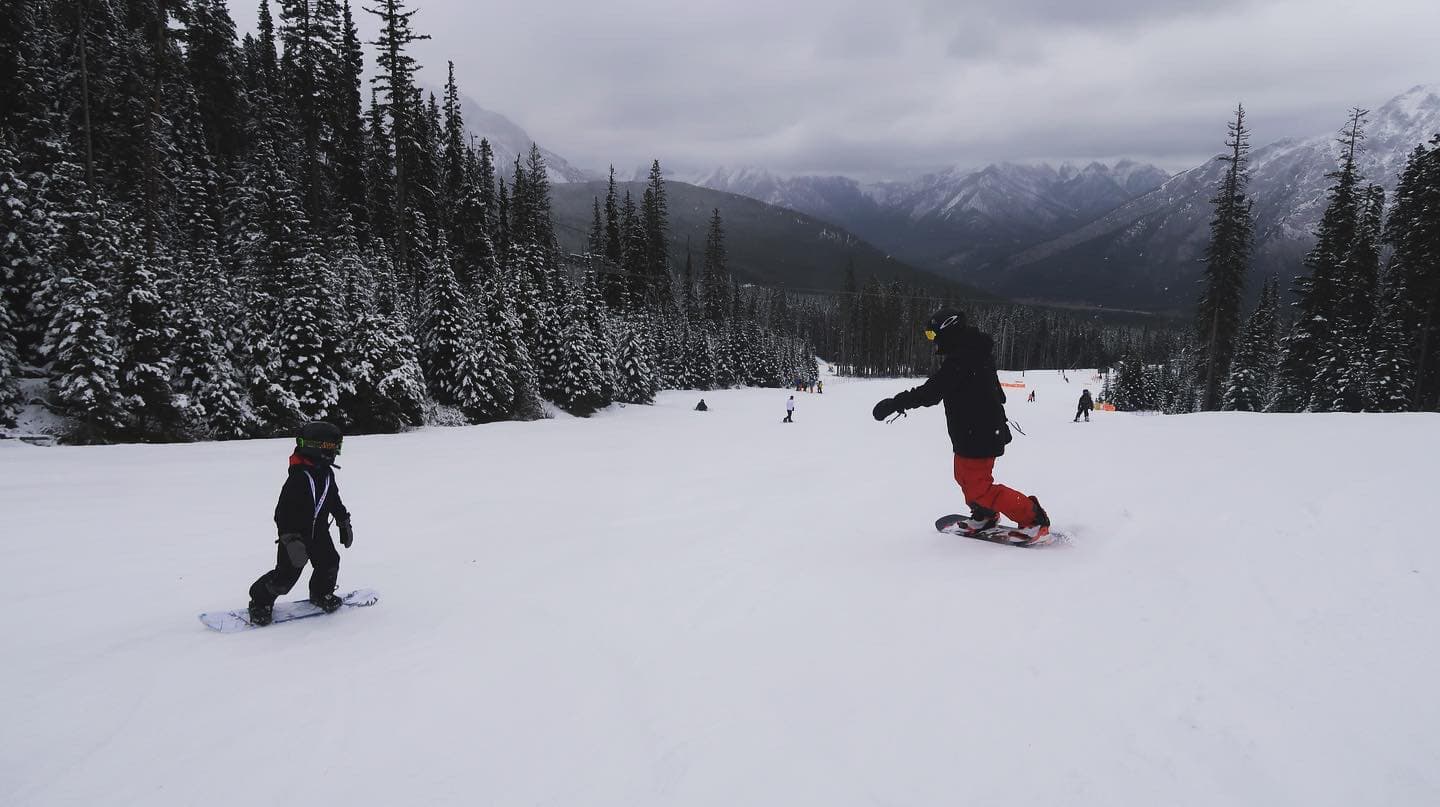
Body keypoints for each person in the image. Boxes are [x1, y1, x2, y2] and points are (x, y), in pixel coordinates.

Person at [871, 309, 1050, 544]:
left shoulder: (964, 358)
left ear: (948, 331)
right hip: (969, 431)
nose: (932, 340)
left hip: (981, 432)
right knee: (964, 477)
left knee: (979, 488)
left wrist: (895, 403)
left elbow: (932, 392)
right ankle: (984, 514)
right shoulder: (971, 351)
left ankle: (1033, 518)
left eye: (932, 334)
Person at [247, 422, 354, 626]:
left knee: (329, 562)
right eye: (331, 448)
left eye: (337, 448)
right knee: (286, 576)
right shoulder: (298, 478)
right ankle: (260, 601)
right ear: (316, 447)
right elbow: (282, 513)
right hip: (295, 536)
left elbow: (333, 499)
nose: (335, 453)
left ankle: (321, 594)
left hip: (319, 532)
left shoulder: (326, 473)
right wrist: (289, 538)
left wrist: (343, 521)